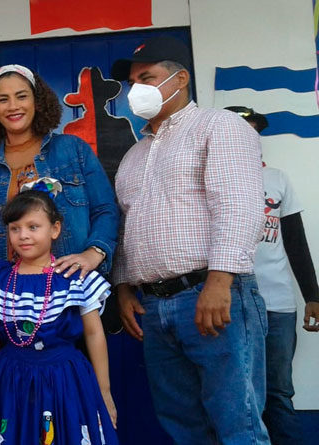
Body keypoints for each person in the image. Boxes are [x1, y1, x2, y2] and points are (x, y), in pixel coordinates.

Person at [111, 37, 269, 444]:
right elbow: (128, 227)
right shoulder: (134, 155)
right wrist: (125, 287)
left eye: (147, 77)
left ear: (180, 79)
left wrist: (219, 283)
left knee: (237, 424)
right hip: (155, 307)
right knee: (182, 426)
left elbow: (238, 205)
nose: (136, 90)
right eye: (132, 83)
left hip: (211, 295)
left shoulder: (220, 126)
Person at [0, 179, 118, 445]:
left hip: (65, 380)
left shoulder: (74, 277)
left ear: (55, 229)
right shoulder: (1, 278)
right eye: (15, 228)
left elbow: (94, 333)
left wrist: (104, 391)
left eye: (33, 227)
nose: (23, 236)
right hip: (13, 380)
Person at [0, 64, 118, 295]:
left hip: (68, 294)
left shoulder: (72, 150)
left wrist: (94, 252)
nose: (13, 106)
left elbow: (105, 209)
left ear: (37, 102)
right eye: (3, 99)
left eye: (21, 96)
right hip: (5, 299)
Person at [226, 105, 319, 445]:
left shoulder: (277, 179)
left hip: (278, 305)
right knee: (236, 391)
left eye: (252, 130)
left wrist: (313, 296)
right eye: (238, 131)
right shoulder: (208, 180)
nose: (247, 137)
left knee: (278, 391)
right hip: (229, 305)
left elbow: (295, 241)